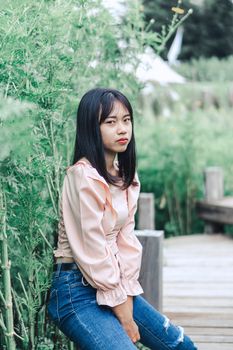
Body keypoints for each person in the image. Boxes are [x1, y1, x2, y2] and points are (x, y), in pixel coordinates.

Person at [47, 88, 197, 350]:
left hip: (114, 285)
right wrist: (125, 316)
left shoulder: (124, 175)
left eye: (126, 120)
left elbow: (126, 239)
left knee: (180, 345)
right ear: (91, 128)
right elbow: (92, 252)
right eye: (110, 122)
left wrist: (125, 291)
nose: (122, 129)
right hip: (76, 291)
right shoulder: (81, 177)